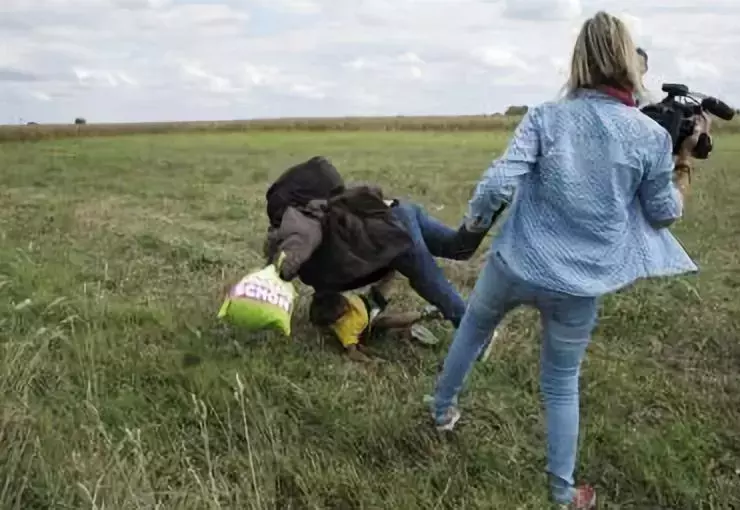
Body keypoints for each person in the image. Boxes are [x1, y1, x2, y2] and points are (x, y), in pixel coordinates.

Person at [428, 11, 708, 509]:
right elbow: (664, 215)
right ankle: (562, 494)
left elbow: (496, 184)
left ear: (578, 59)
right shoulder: (649, 136)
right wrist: (682, 158)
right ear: (628, 61)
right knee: (560, 384)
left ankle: (441, 411)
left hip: (514, 263)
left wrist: (471, 230)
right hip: (579, 285)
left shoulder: (545, 116)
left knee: (472, 329)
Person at [264, 156, 499, 340]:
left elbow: (299, 246)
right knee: (458, 248)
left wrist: (276, 272)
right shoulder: (329, 210)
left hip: (391, 231)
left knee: (428, 281)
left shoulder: (304, 222)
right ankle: (488, 208)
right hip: (399, 212)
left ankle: (478, 334)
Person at [308, 271, 443, 362]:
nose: (346, 306)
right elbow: (352, 352)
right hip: (372, 325)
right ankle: (426, 314)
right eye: (342, 310)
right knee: (387, 320)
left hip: (368, 302)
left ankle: (393, 265)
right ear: (335, 319)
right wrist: (371, 360)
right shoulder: (345, 331)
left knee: (384, 280)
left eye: (343, 302)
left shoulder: (337, 296)